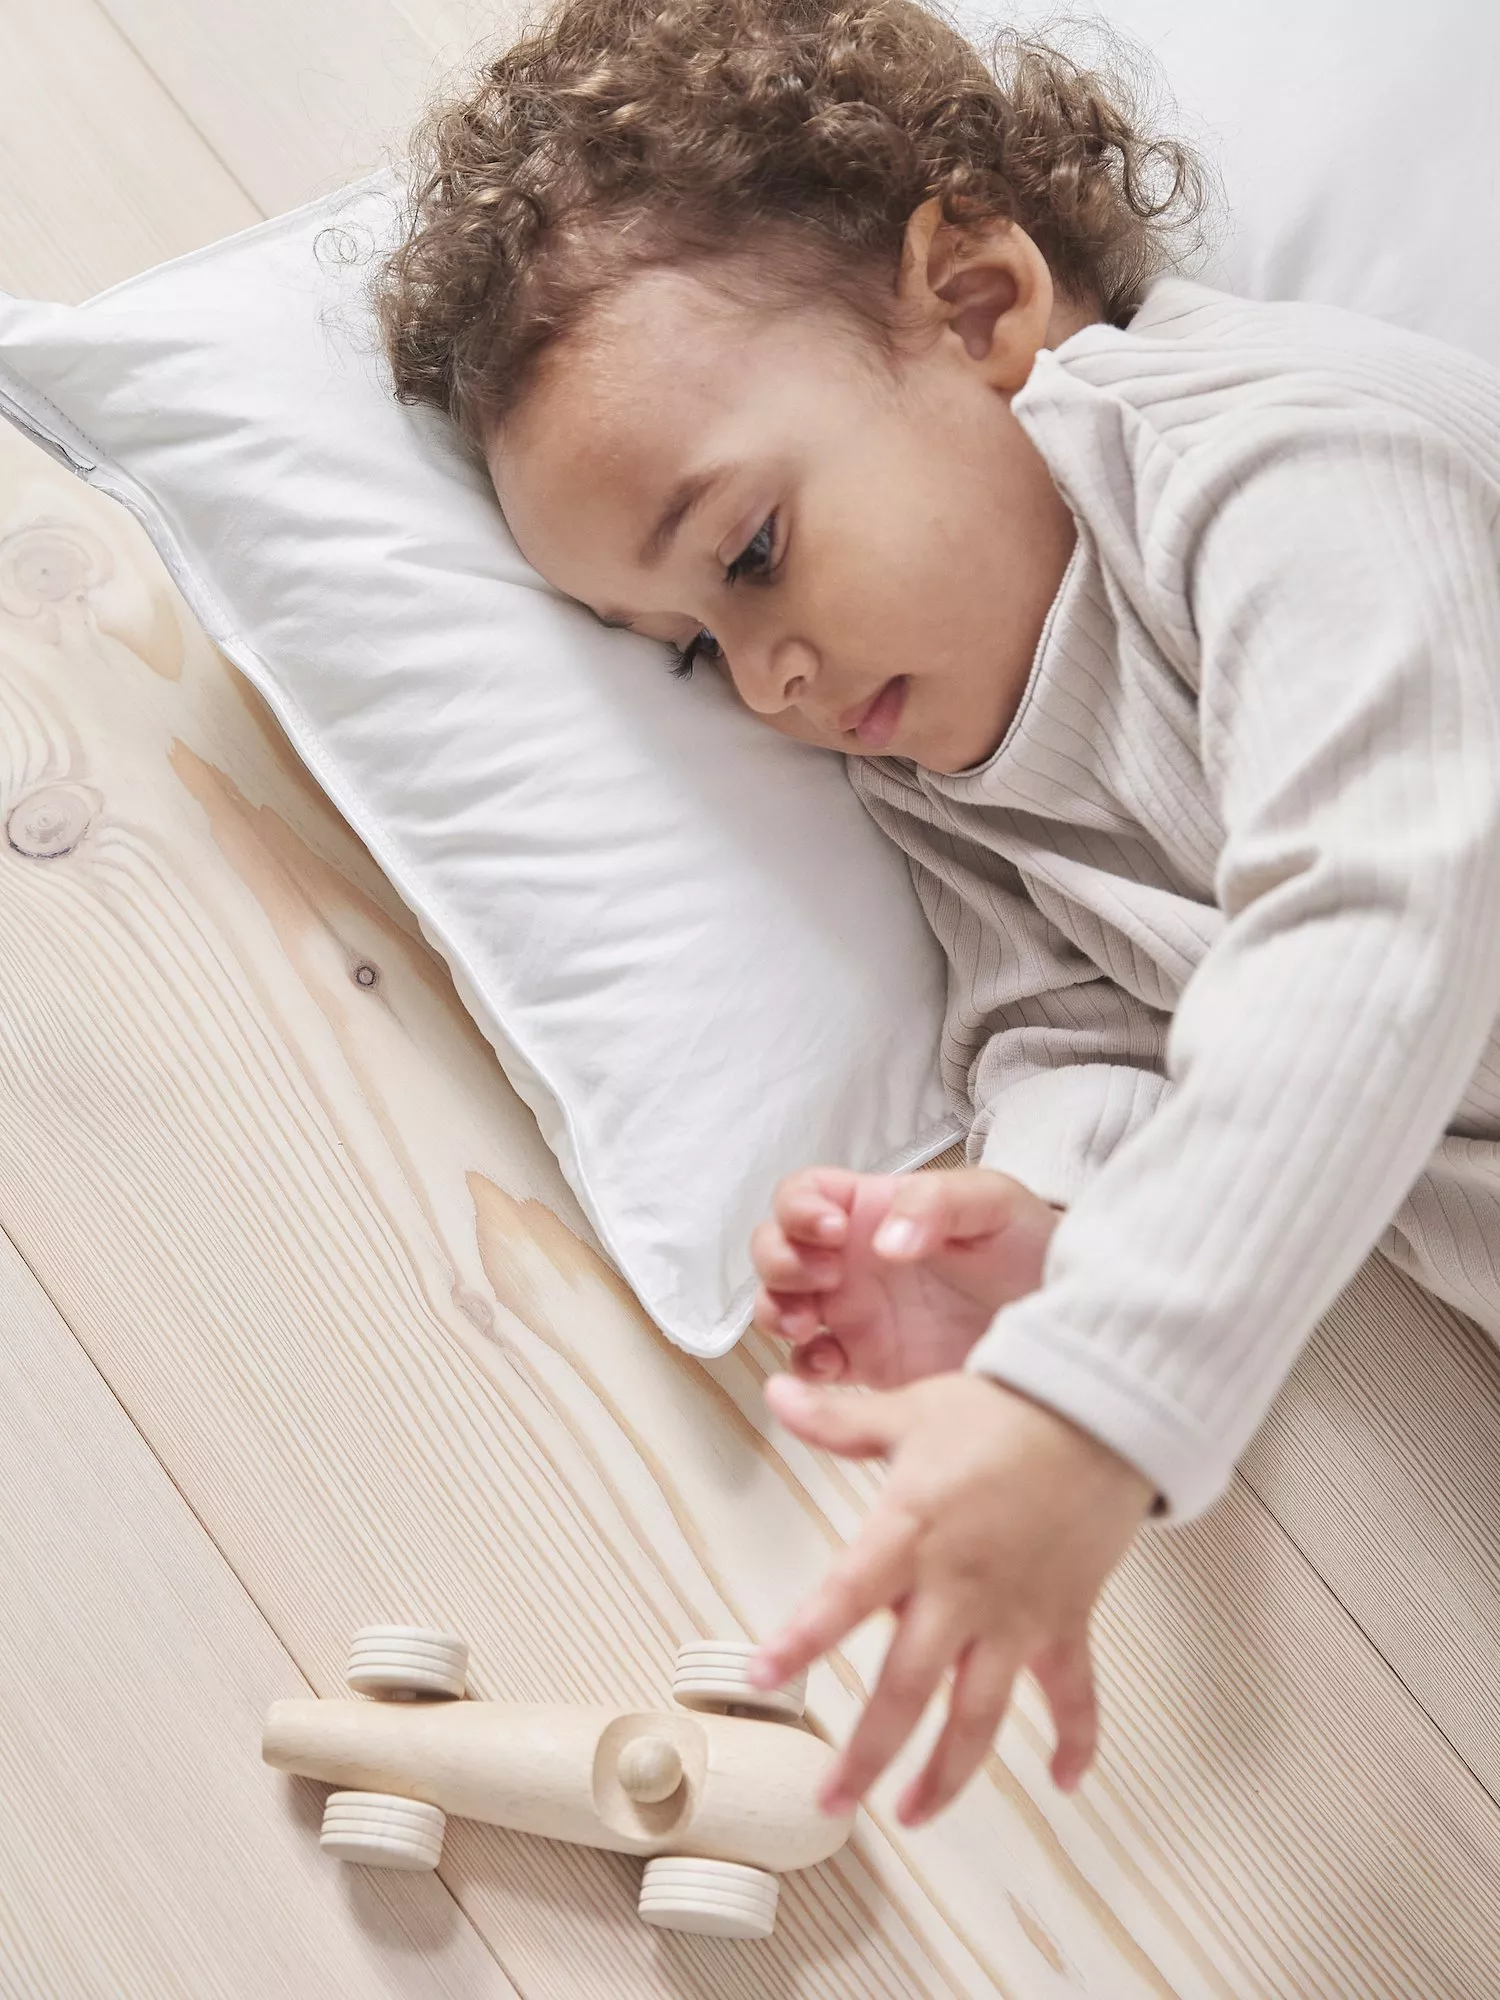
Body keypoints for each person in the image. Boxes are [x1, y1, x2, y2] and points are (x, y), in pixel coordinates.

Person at [373, 0, 1500, 1831]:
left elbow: (1383, 918)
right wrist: (1039, 1226)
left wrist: (1100, 1392)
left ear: (979, 306)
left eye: (749, 556)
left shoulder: (1293, 459)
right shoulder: (946, 769)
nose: (764, 677)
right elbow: (1078, 1022)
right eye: (691, 652)